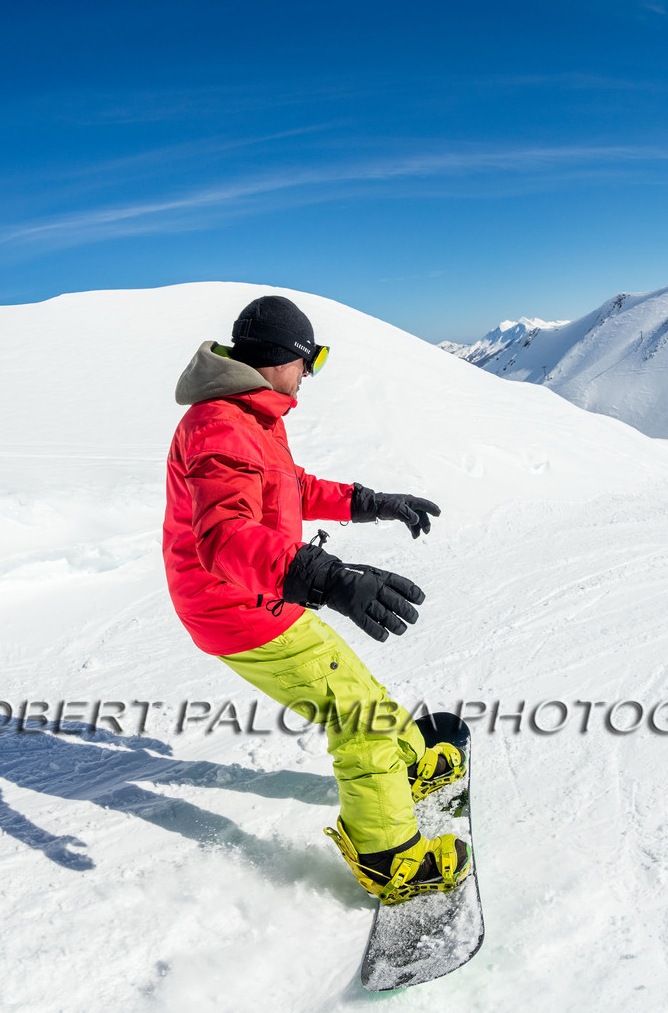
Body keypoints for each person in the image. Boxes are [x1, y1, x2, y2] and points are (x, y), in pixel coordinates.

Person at [162, 294, 470, 904]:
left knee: (357, 685)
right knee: (355, 716)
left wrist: (371, 502)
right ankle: (389, 858)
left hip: (264, 594)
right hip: (238, 607)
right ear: (281, 358)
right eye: (311, 361)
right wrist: (329, 577)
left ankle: (408, 765)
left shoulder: (252, 416)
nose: (310, 374)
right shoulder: (220, 425)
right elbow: (224, 539)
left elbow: (291, 489)